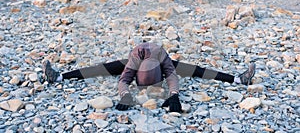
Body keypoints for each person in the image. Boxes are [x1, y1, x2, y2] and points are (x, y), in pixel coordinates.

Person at [43, 42, 256, 113]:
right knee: (101, 68)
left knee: (197, 70)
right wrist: (125, 95)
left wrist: (174, 96)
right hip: (139, 57)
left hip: (157, 58)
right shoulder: (130, 62)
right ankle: (59, 77)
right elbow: (123, 80)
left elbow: (172, 77)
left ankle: (238, 80)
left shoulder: (166, 61)